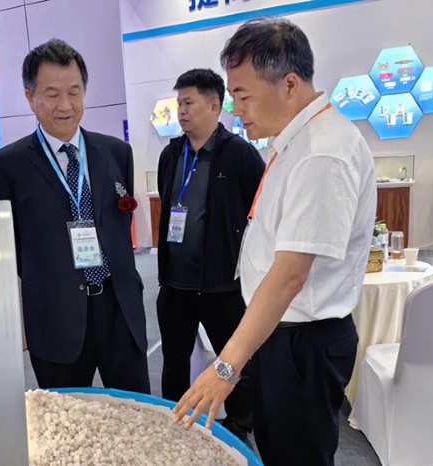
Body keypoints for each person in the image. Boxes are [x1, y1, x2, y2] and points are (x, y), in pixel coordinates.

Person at [173, 17, 376, 466]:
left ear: (289, 85)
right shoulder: (294, 142)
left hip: (302, 342)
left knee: (297, 455)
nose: (236, 108)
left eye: (243, 95)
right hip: (279, 334)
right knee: (278, 449)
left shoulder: (322, 152)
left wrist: (226, 366)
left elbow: (289, 276)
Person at [0, 39, 149, 393]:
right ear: (30, 98)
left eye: (74, 92)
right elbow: (9, 247)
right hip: (55, 315)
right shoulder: (9, 165)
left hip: (119, 306)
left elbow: (119, 225)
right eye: (52, 94)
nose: (65, 105)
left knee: (136, 410)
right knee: (66, 415)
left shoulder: (116, 152)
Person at [156, 68, 265, 444]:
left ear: (215, 106)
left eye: (189, 103)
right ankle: (173, 418)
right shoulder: (172, 154)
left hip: (221, 284)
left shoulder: (239, 154)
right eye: (179, 104)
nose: (181, 111)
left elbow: (260, 210)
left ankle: (240, 424)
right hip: (176, 284)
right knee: (174, 359)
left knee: (234, 358)